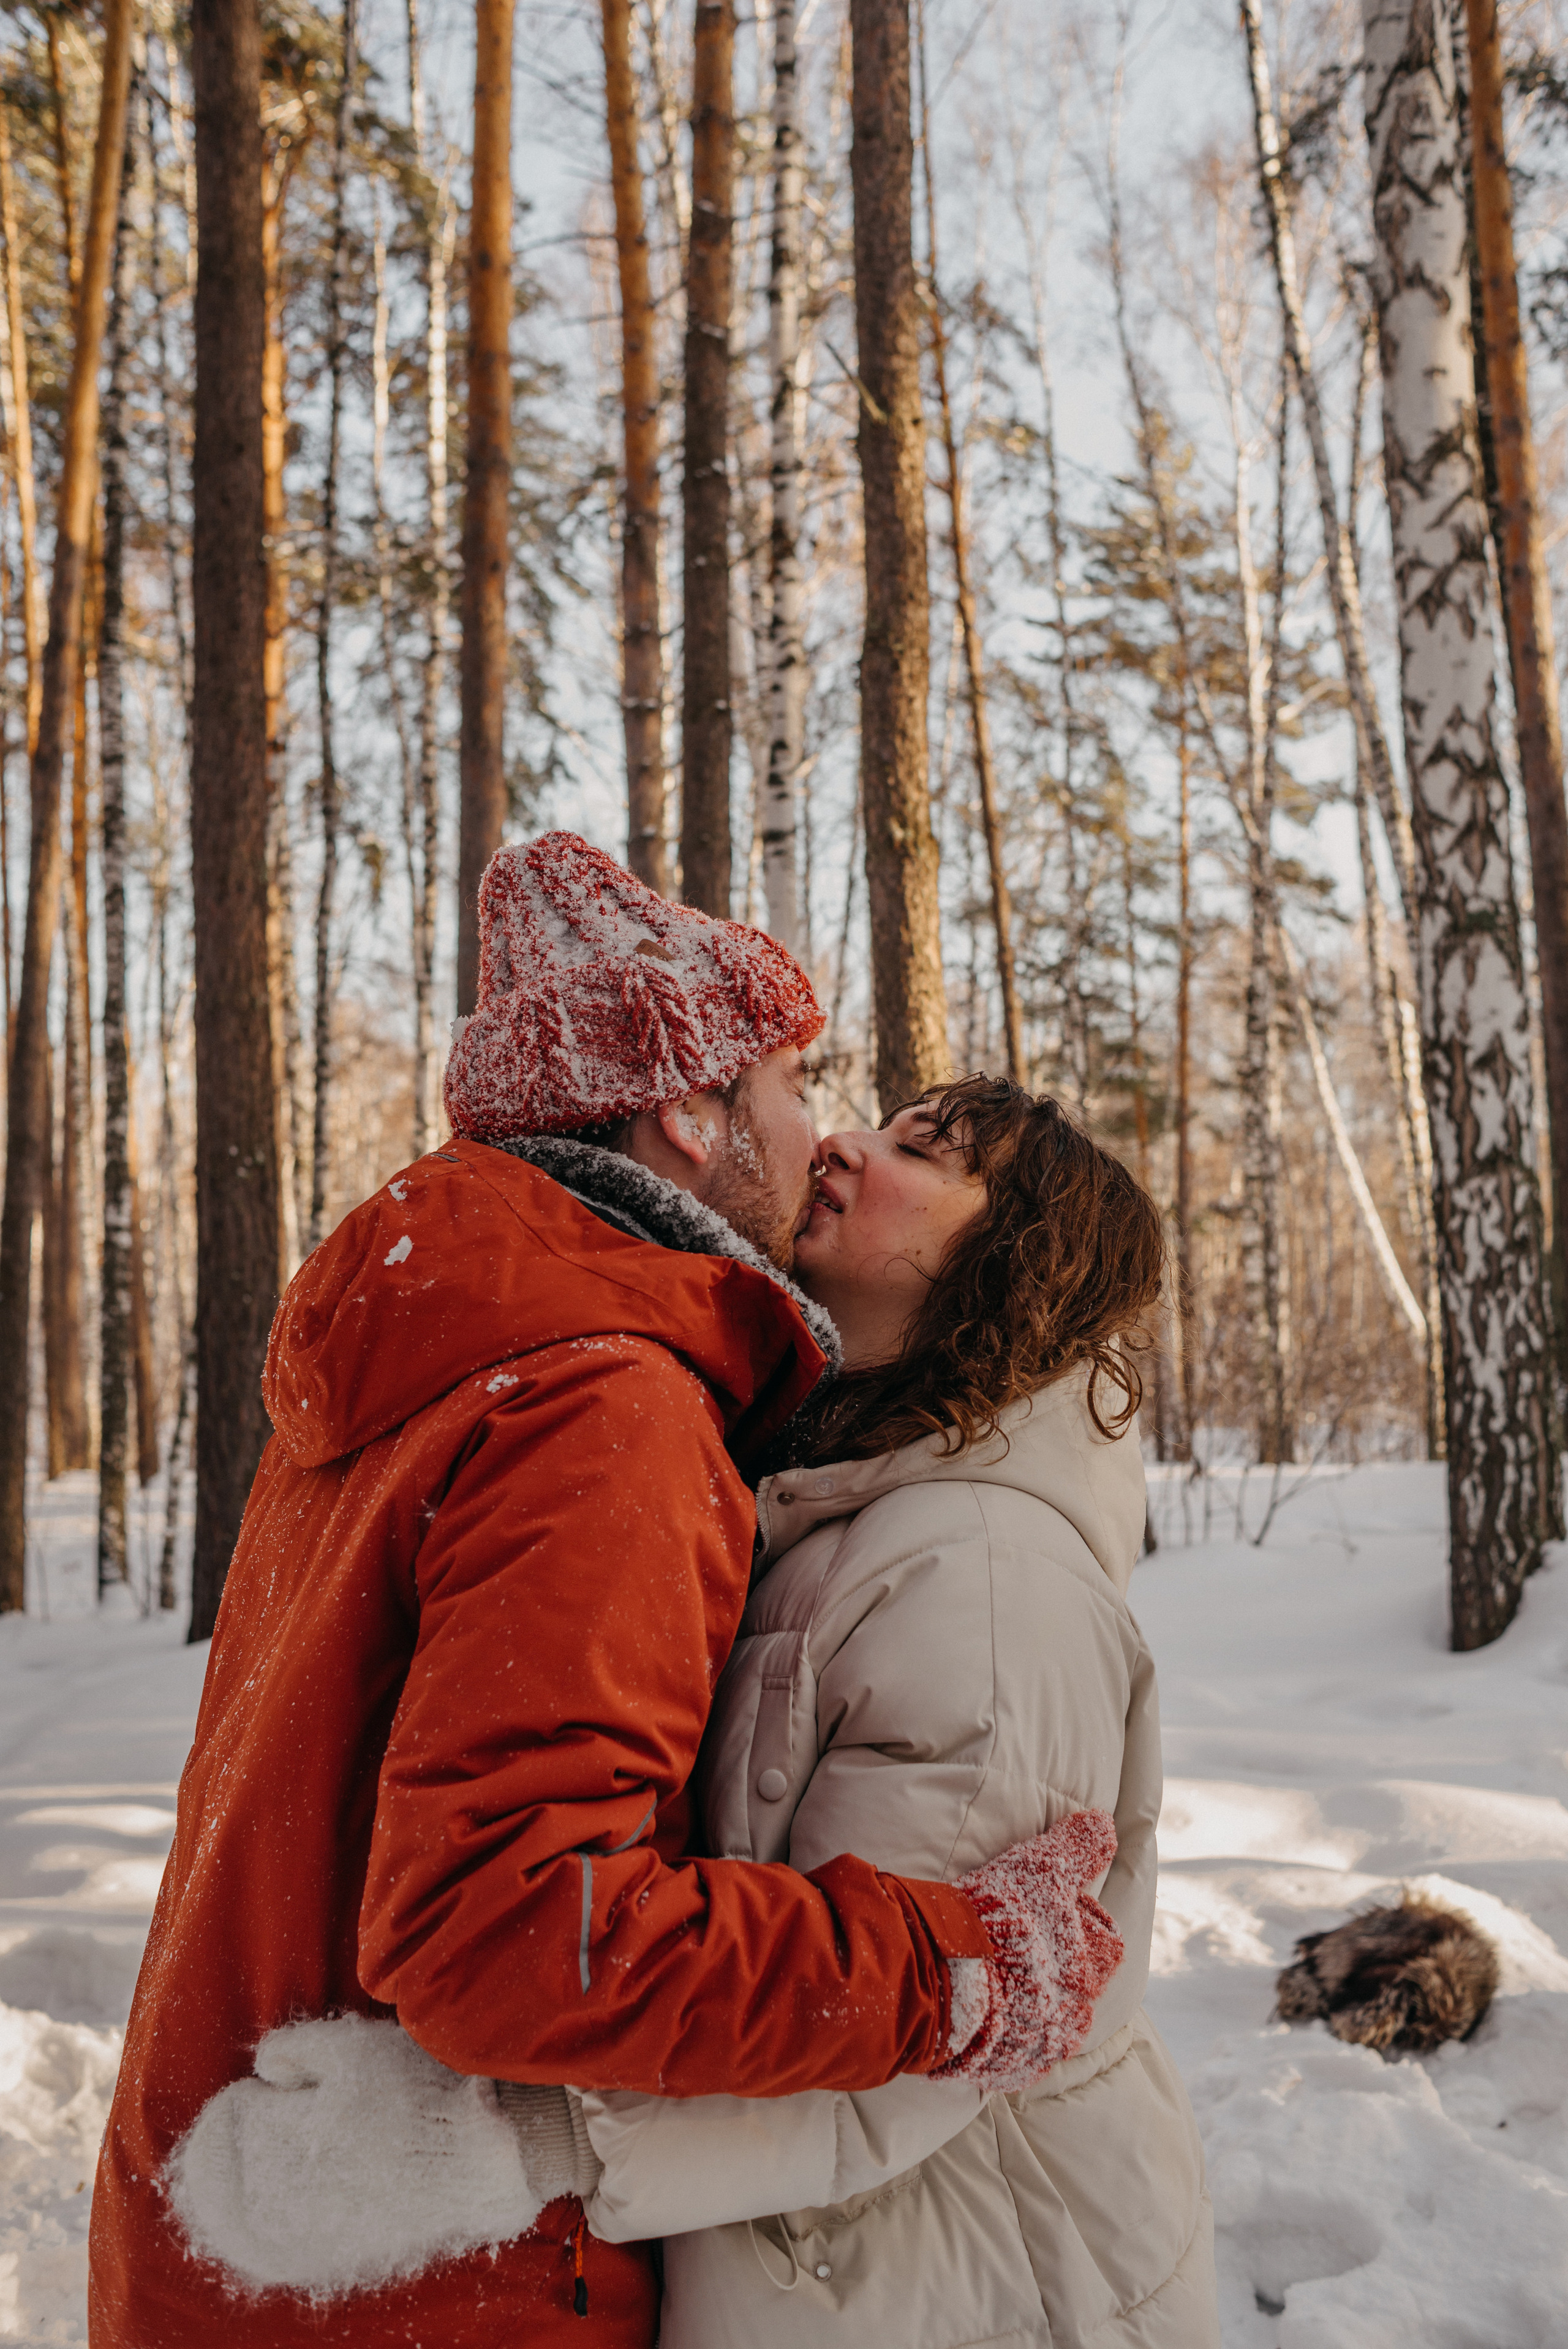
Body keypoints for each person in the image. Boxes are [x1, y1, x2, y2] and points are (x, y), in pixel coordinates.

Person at [89, 839, 1121, 2348]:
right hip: (431, 2289)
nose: (820, 1130)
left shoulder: (431, 1341)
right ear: (691, 1115)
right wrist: (944, 1970)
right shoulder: (601, 1404)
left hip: (241, 2224)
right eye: (790, 1082)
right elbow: (514, 1934)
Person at [553, 1076, 1221, 2346]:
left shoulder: (979, 1576)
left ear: (1012, 1261)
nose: (839, 1144)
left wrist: (521, 2138)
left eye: (925, 1150)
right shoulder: (842, 1509)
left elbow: (915, 2037)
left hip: (982, 2282)